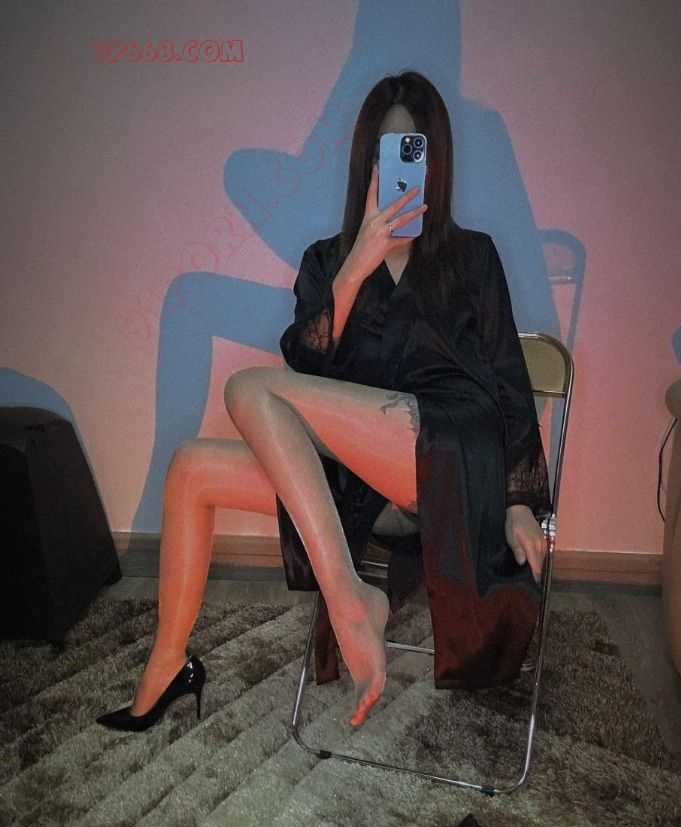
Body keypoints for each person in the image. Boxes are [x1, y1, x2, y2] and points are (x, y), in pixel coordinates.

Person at [97, 70, 551, 734]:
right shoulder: (325, 260)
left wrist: (518, 501)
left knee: (246, 386)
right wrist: (356, 265)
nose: (399, 167)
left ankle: (348, 598)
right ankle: (168, 664)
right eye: (386, 152)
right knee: (190, 467)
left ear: (435, 161)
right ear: (367, 162)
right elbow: (304, 366)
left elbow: (508, 378)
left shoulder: (473, 256)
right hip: (359, 483)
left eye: (414, 150)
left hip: (451, 456)